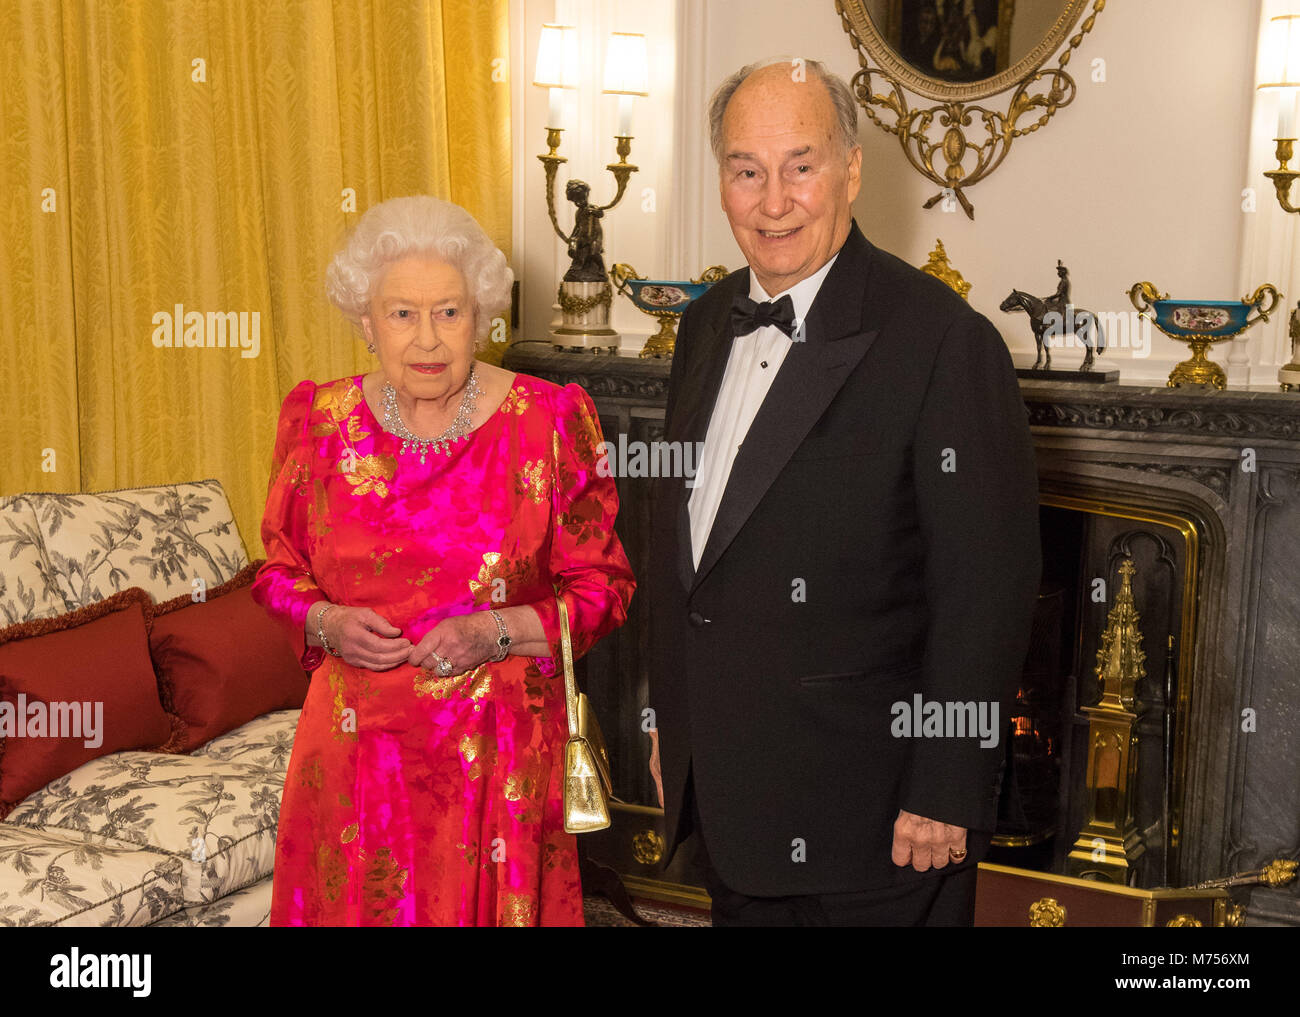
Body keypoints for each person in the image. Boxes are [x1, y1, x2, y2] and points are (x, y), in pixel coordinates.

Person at [646, 58, 1041, 926]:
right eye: (747, 170)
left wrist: (946, 784)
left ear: (852, 169)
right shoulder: (706, 321)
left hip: (876, 825)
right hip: (732, 801)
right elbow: (689, 551)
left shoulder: (945, 341)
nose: (774, 199)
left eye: (802, 165)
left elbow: (988, 586)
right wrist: (669, 727)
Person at [252, 195, 635, 926]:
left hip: (494, 760)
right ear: (366, 324)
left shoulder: (549, 421)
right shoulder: (318, 421)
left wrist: (493, 631)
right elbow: (276, 572)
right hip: (353, 758)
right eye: (401, 313)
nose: (426, 338)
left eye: (449, 312)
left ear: (482, 316)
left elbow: (604, 589)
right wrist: (324, 619)